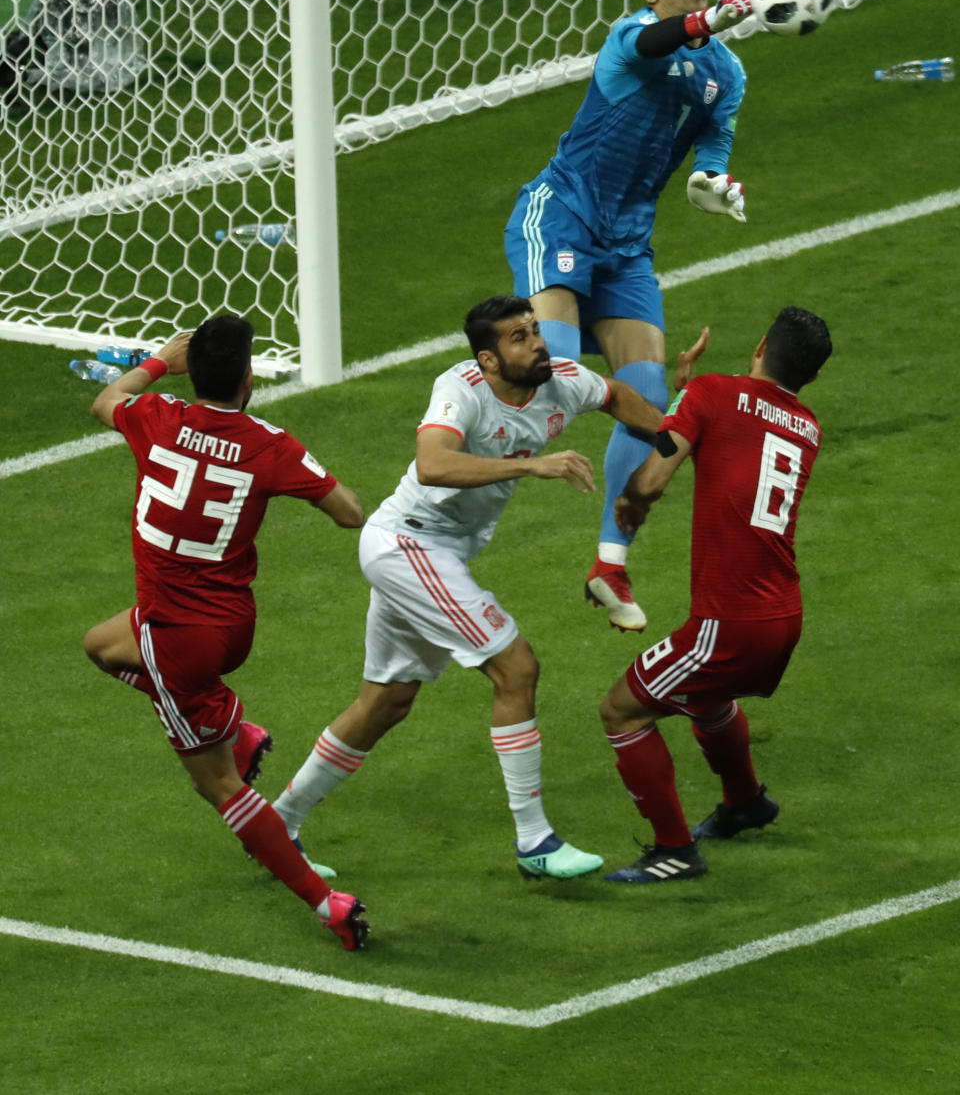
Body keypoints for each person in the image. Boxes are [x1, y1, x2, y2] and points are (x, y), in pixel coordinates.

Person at [272, 296, 705, 880]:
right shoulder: (462, 390)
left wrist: (673, 434)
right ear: (489, 359)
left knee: (385, 703)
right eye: (520, 338)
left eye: (535, 330)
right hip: (409, 545)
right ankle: (535, 842)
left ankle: (276, 826)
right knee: (516, 668)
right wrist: (532, 465)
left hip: (436, 552)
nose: (538, 344)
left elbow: (616, 395)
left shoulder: (562, 380)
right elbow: (433, 464)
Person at [82, 315, 369, 950]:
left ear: (194, 373)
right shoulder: (271, 443)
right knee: (101, 646)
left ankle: (328, 904)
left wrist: (159, 360)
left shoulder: (156, 416)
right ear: (247, 380)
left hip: (175, 634)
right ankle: (235, 730)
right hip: (229, 624)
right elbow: (351, 514)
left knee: (218, 787)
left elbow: (106, 400)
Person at [505, 0, 752, 634]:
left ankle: (608, 565)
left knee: (648, 402)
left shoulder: (726, 73)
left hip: (627, 250)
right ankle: (462, 446)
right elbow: (655, 47)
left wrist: (714, 183)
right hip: (561, 217)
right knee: (543, 369)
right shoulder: (631, 35)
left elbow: (714, 145)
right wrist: (712, 18)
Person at [598, 307, 833, 884]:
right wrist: (685, 402)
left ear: (759, 342)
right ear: (811, 376)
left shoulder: (713, 393)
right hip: (783, 615)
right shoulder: (808, 427)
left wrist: (627, 507)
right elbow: (737, 441)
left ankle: (673, 849)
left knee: (621, 710)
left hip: (729, 621)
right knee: (708, 697)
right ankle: (744, 801)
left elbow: (651, 481)